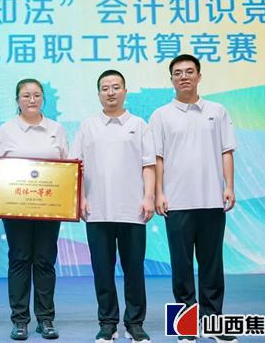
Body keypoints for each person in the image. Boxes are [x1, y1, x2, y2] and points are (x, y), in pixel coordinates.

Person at [149, 54, 238, 343]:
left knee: (212, 266)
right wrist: (159, 193)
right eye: (178, 73)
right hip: (177, 203)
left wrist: (229, 186)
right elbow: (158, 158)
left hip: (212, 200)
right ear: (171, 79)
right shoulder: (161, 115)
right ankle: (185, 327)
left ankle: (213, 324)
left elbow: (226, 151)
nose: (184, 76)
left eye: (189, 71)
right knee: (182, 267)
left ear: (199, 76)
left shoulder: (217, 111)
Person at [70, 70, 155, 343]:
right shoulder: (88, 126)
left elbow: (149, 165)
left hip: (133, 211)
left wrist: (149, 197)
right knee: (102, 271)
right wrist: (80, 198)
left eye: (116, 87)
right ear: (98, 94)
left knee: (134, 270)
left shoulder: (139, 125)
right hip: (97, 211)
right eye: (105, 88)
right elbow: (76, 167)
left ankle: (135, 323)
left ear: (125, 91)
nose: (110, 92)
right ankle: (107, 323)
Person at [0, 78, 68, 341]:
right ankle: (20, 320)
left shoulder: (56, 129)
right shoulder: (5, 131)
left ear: (43, 98)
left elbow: (66, 168)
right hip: (16, 209)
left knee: (45, 260)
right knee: (20, 258)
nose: (32, 99)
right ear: (17, 100)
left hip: (49, 207)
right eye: (26, 95)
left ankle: (45, 319)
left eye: (37, 95)